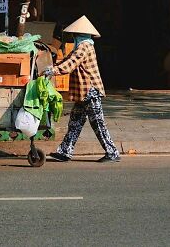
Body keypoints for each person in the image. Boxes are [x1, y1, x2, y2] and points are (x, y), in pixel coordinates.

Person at [47, 15, 120, 163]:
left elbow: (72, 63)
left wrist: (54, 71)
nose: (73, 37)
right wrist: (53, 67)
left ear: (79, 35)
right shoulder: (81, 46)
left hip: (90, 91)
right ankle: (65, 151)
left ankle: (112, 152)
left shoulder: (84, 46)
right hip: (83, 92)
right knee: (74, 122)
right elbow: (68, 59)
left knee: (98, 123)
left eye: (74, 35)